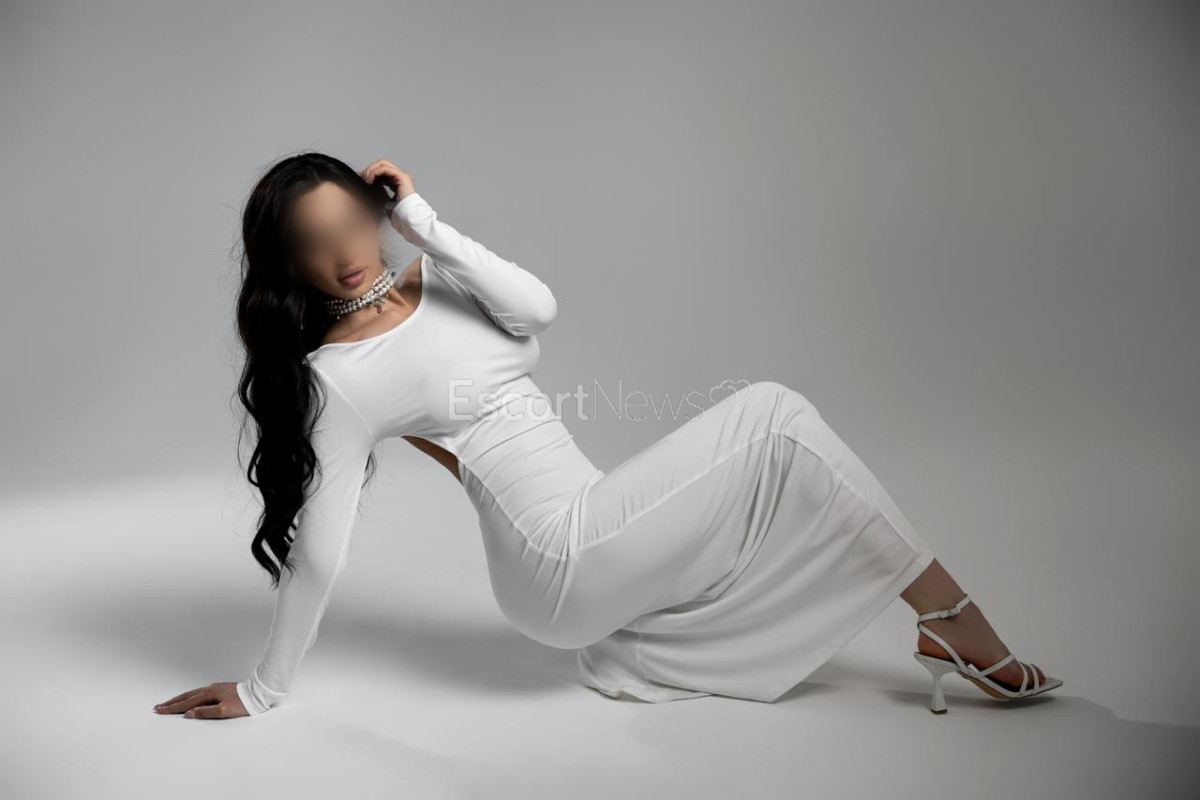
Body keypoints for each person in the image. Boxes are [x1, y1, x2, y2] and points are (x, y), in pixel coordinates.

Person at [154, 153, 1062, 720]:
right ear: (288, 261)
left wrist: (422, 221)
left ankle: (941, 626)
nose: (345, 251)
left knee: (780, 447)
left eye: (354, 222)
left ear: (376, 211)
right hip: (552, 562)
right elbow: (319, 553)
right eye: (315, 240)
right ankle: (952, 623)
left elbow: (536, 309)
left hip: (589, 515)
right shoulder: (336, 377)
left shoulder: (439, 273)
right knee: (775, 414)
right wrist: (264, 689)